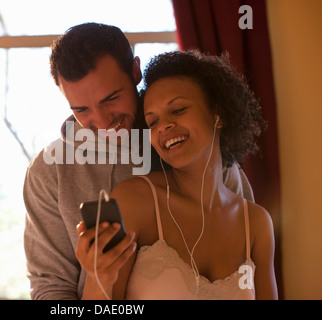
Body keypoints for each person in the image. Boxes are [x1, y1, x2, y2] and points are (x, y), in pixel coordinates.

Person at [23, 23, 255, 300]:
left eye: (111, 98)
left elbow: (248, 268)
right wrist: (99, 277)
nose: (102, 121)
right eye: (81, 110)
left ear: (135, 70)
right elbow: (51, 289)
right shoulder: (50, 172)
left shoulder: (196, 147)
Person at [75, 50, 278, 300]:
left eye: (178, 110)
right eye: (152, 122)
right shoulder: (135, 201)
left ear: (219, 113)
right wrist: (98, 278)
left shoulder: (256, 224)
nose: (163, 126)